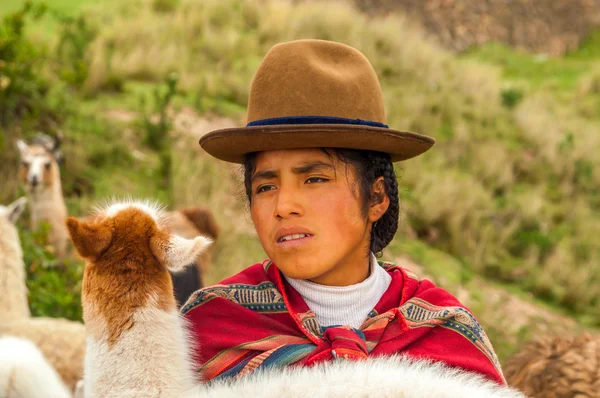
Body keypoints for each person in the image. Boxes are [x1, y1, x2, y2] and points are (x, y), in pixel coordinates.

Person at [183, 39, 506, 385]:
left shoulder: (446, 337)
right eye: (266, 187)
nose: (284, 206)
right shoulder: (205, 330)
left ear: (376, 197)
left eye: (315, 179)